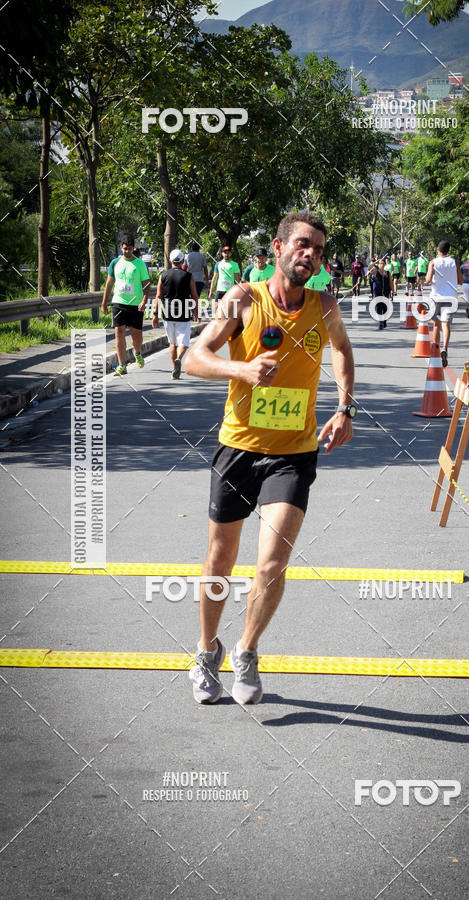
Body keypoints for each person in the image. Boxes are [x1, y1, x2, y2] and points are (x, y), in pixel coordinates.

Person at [184, 211, 355, 705]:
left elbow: (342, 350)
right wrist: (241, 369)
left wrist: (344, 407)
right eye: (302, 244)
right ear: (278, 248)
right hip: (238, 446)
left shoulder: (325, 306)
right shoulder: (243, 299)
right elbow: (194, 357)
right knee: (220, 559)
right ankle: (206, 650)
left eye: (318, 250)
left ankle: (247, 649)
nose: (310, 255)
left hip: (293, 454)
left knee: (273, 562)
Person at [101, 234, 151, 376]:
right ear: (120, 248)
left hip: (136, 304)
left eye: (129, 249)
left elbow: (147, 285)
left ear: (133, 248)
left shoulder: (140, 264)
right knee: (119, 333)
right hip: (119, 302)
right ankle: (122, 365)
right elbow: (109, 284)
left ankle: (137, 352)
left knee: (136, 335)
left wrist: (144, 300)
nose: (127, 251)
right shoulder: (115, 263)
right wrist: (104, 302)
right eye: (124, 249)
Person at [152, 249, 199, 379]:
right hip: (183, 312)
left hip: (167, 313)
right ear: (183, 261)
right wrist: (196, 312)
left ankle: (174, 369)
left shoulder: (163, 275)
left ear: (170, 261)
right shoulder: (188, 276)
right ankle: (179, 358)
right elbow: (194, 296)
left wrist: (155, 314)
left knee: (172, 343)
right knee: (183, 343)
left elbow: (158, 296)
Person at [425, 240, 462, 368]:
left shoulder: (433, 262)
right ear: (448, 250)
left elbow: (428, 280)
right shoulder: (454, 262)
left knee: (436, 325)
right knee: (446, 324)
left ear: (438, 249)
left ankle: (436, 349)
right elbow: (461, 281)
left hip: (436, 297)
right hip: (451, 297)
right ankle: (445, 348)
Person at [371, 258, 392, 330]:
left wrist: (393, 291)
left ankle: (384, 321)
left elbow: (391, 282)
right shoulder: (375, 272)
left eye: (383, 263)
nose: (382, 265)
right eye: (380, 263)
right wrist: (375, 262)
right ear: (378, 265)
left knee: (385, 307)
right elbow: (369, 267)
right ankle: (380, 322)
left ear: (385, 265)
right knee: (379, 307)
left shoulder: (388, 273)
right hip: (378, 292)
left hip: (386, 292)